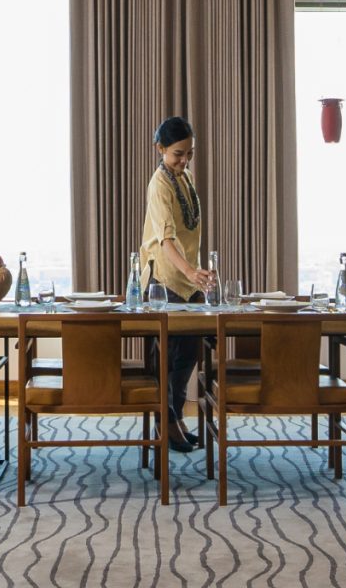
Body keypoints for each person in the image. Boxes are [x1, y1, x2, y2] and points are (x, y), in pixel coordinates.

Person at [140, 115, 212, 452]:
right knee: (167, 358)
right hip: (163, 280)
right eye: (177, 154)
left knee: (189, 353)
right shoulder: (159, 184)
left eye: (189, 154)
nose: (184, 161)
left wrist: (197, 272)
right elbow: (166, 239)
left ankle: (176, 416)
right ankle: (166, 422)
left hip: (187, 279)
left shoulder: (185, 178)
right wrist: (190, 271)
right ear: (160, 149)